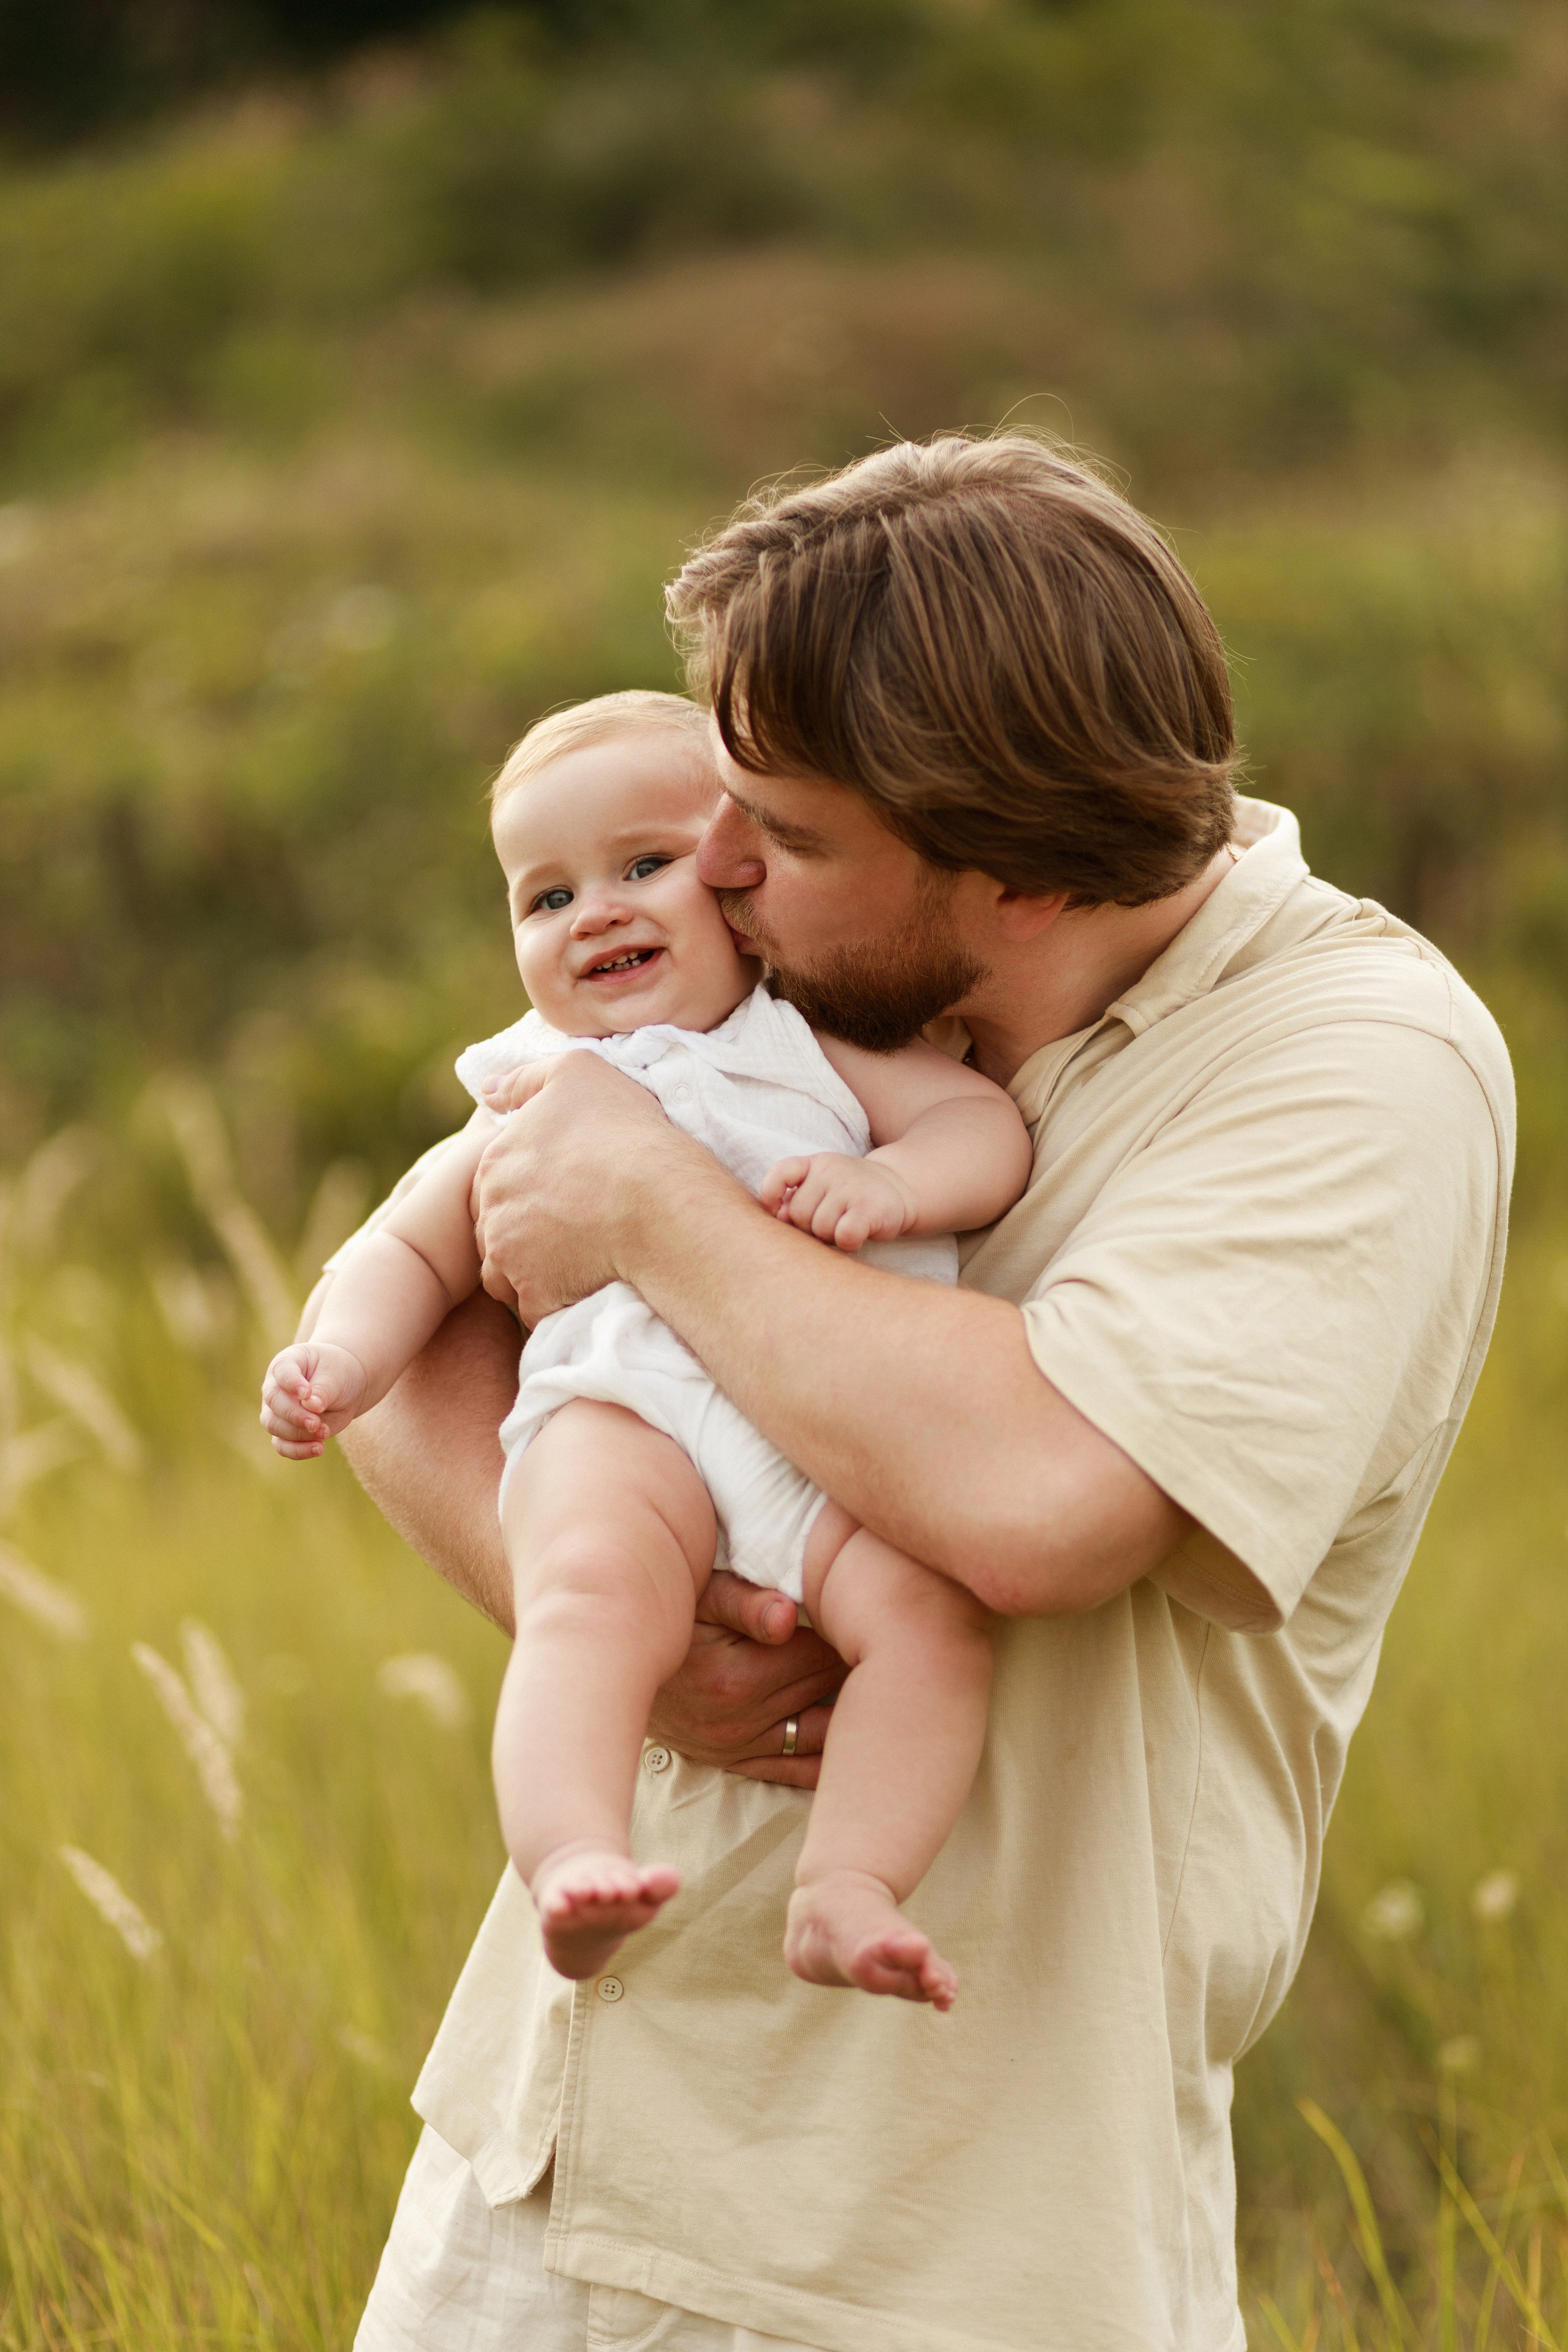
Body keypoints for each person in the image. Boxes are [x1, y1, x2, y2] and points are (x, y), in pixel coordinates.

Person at [332, 434, 1512, 2352]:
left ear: (1020, 873)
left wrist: (648, 1200)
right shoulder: (796, 989)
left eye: (779, 837)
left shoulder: (1353, 1063)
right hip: (553, 2150)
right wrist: (614, 1616)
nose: (714, 873)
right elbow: (443, 1295)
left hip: (942, 2230)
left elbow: (1050, 1497)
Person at [262, 691, 1025, 2004]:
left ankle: (845, 1887)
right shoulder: (530, 1086)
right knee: (583, 1597)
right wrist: (339, 1362)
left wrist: (896, 1187)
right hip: (617, 1420)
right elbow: (406, 1249)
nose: (594, 913)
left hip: (819, 1441)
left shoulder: (813, 1041)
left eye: (641, 865)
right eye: (544, 898)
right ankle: (569, 1857)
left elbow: (979, 1129)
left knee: (927, 1624)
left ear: (741, 879)